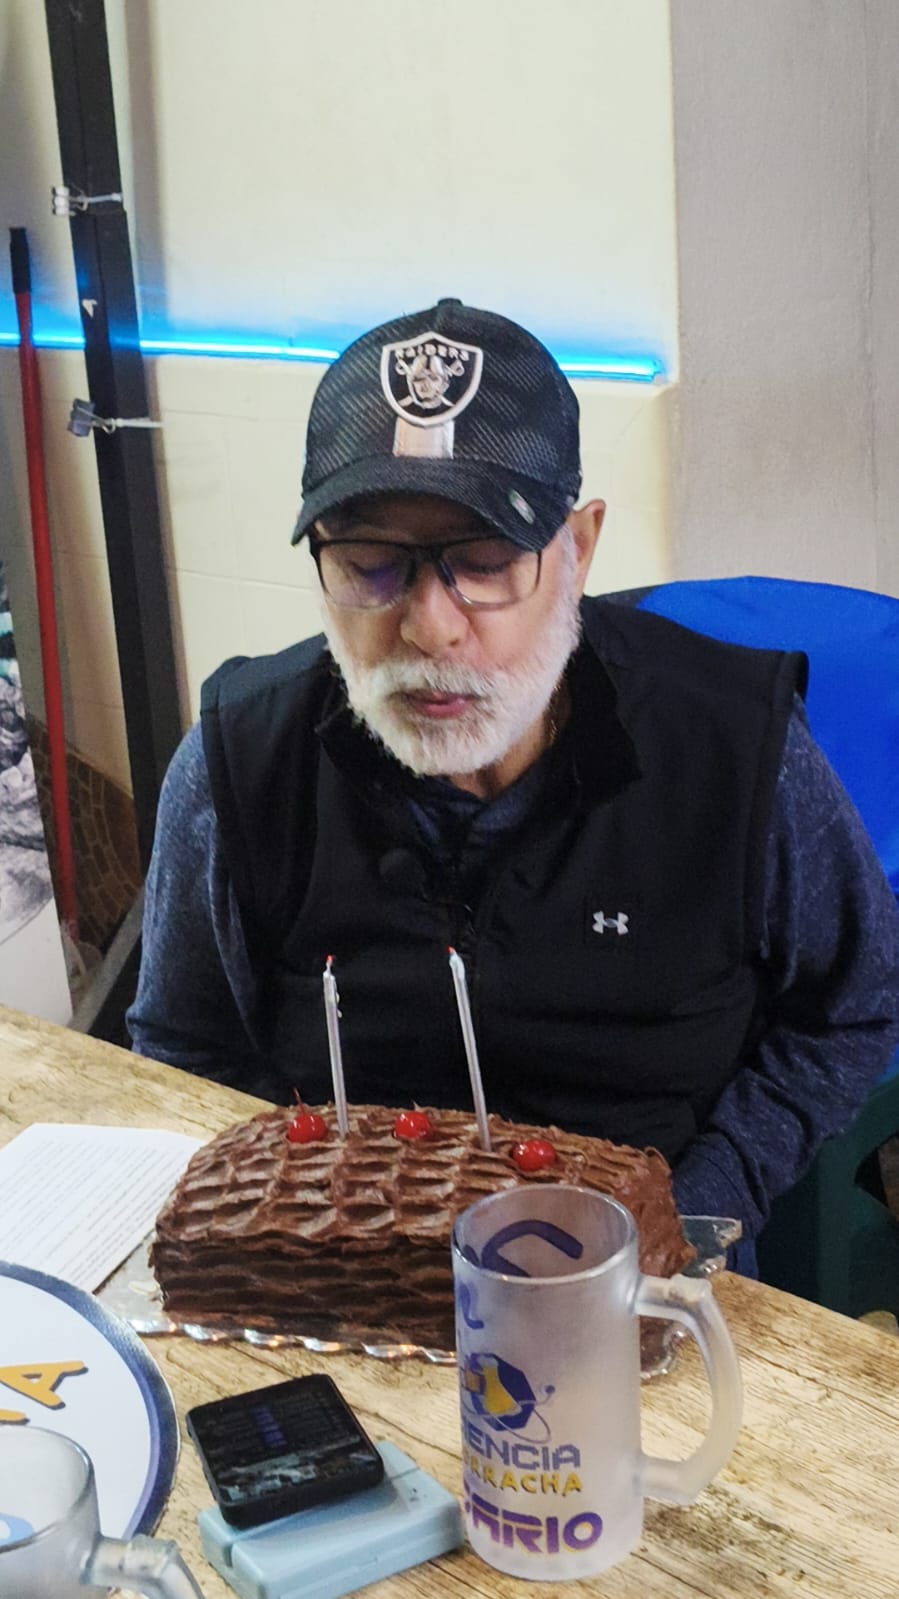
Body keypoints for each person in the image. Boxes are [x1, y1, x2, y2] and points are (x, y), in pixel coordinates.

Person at [128, 297, 899, 1262]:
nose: (428, 626)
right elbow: (182, 1050)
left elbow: (855, 1004)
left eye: (486, 561)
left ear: (577, 548)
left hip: (650, 1264)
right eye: (369, 564)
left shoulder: (734, 747)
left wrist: (705, 1200)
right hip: (339, 1267)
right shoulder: (242, 763)